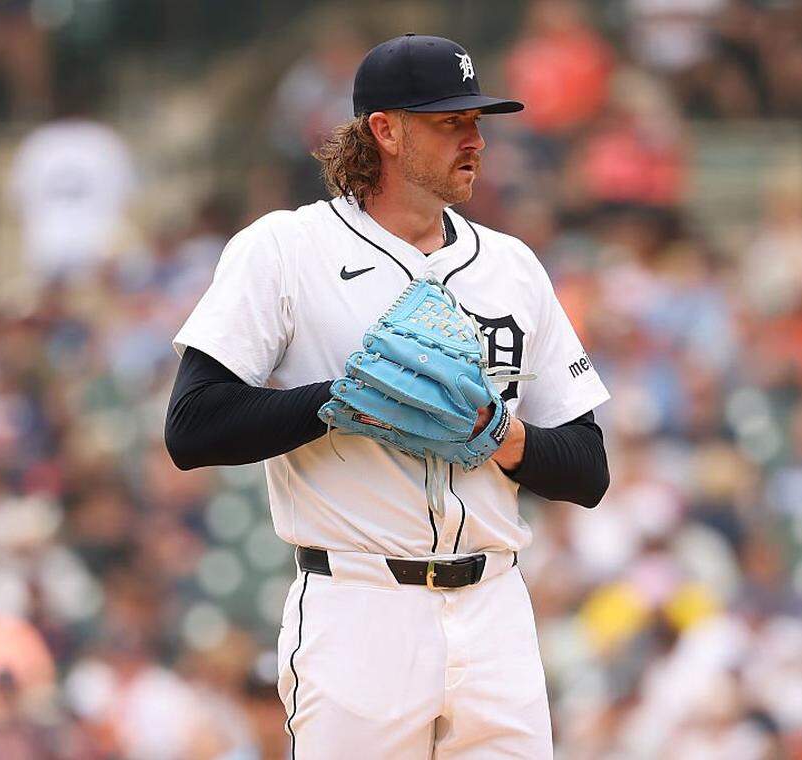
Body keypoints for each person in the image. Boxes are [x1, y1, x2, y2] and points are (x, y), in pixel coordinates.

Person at [164, 34, 610, 758]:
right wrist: (343, 402)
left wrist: (501, 433)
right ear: (386, 129)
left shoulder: (512, 266)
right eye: (450, 123)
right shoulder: (284, 249)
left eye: (477, 122)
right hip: (359, 608)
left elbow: (589, 469)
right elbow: (191, 428)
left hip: (496, 609)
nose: (476, 140)